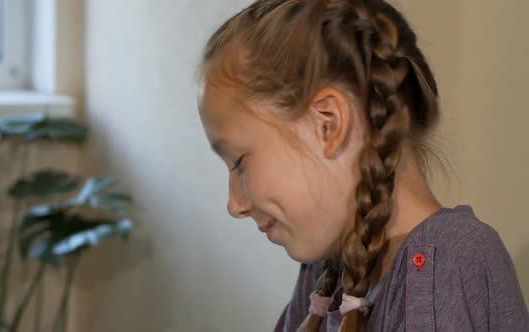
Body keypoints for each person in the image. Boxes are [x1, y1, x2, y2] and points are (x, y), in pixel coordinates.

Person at [196, 0, 529, 330]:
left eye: (239, 163)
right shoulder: (326, 272)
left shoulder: (449, 262)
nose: (234, 204)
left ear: (328, 124)